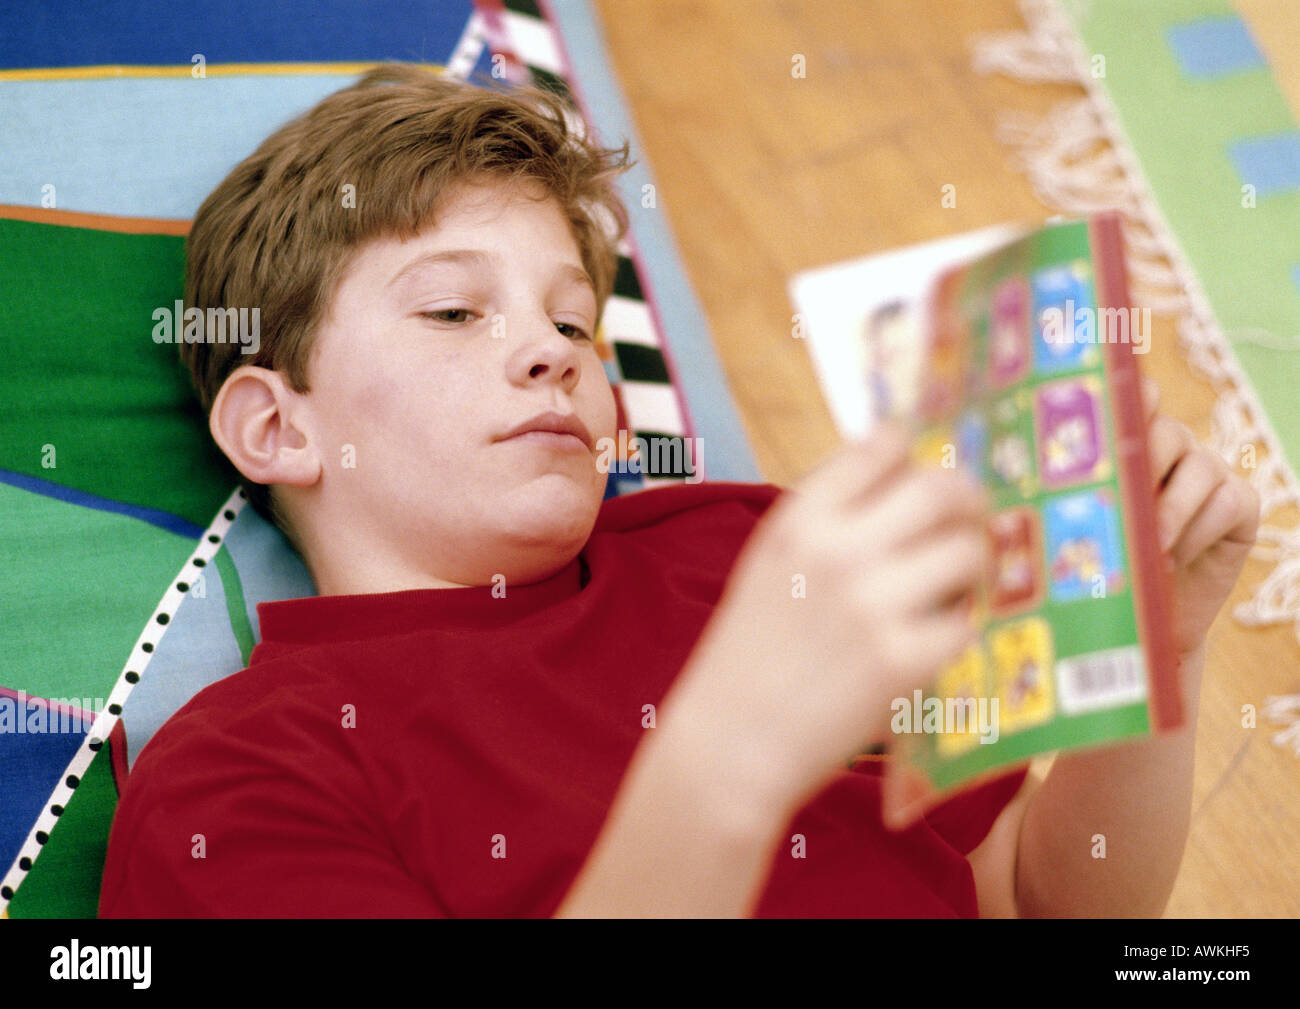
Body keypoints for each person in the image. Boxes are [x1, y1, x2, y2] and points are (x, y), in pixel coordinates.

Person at [98, 63, 1259, 918]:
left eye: (571, 320)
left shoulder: (749, 546)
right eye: (454, 310)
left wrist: (1159, 646)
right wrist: (731, 751)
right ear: (276, 424)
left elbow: (1041, 901)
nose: (551, 351)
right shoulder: (238, 774)